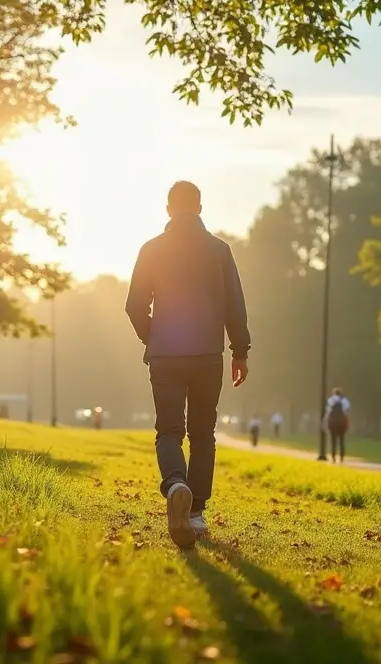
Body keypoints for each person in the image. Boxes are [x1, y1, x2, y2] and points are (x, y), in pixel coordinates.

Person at [125, 180, 251, 550]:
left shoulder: (151, 249)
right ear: (199, 207)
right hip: (208, 357)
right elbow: (234, 306)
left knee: (168, 431)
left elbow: (134, 305)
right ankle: (195, 513)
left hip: (165, 355)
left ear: (168, 210)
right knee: (202, 434)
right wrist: (240, 351)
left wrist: (153, 337)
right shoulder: (219, 250)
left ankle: (175, 484)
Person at [324, 387, 350, 463]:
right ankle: (342, 456)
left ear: (334, 393)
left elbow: (328, 410)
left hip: (333, 423)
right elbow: (346, 411)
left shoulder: (331, 400)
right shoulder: (344, 400)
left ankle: (333, 456)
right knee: (341, 440)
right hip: (341, 423)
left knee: (333, 439)